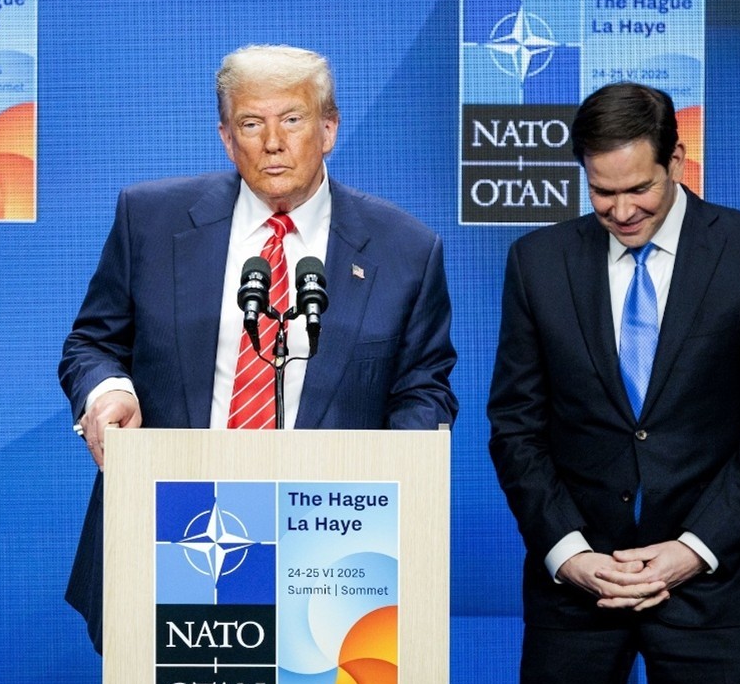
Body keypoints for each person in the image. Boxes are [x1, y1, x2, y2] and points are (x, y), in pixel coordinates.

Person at [59, 44, 459, 651]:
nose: (273, 142)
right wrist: (107, 391)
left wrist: (393, 471)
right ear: (227, 138)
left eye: (292, 119)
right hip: (173, 526)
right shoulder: (151, 220)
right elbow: (92, 342)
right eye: (251, 124)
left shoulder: (405, 250)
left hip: (327, 547)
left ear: (329, 129)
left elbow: (423, 389)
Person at [487, 82, 740, 684]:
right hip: (577, 586)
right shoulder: (537, 261)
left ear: (677, 160)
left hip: (709, 585)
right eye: (602, 192)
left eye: (640, 188)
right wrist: (569, 553)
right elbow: (515, 426)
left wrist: (694, 549)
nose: (622, 210)